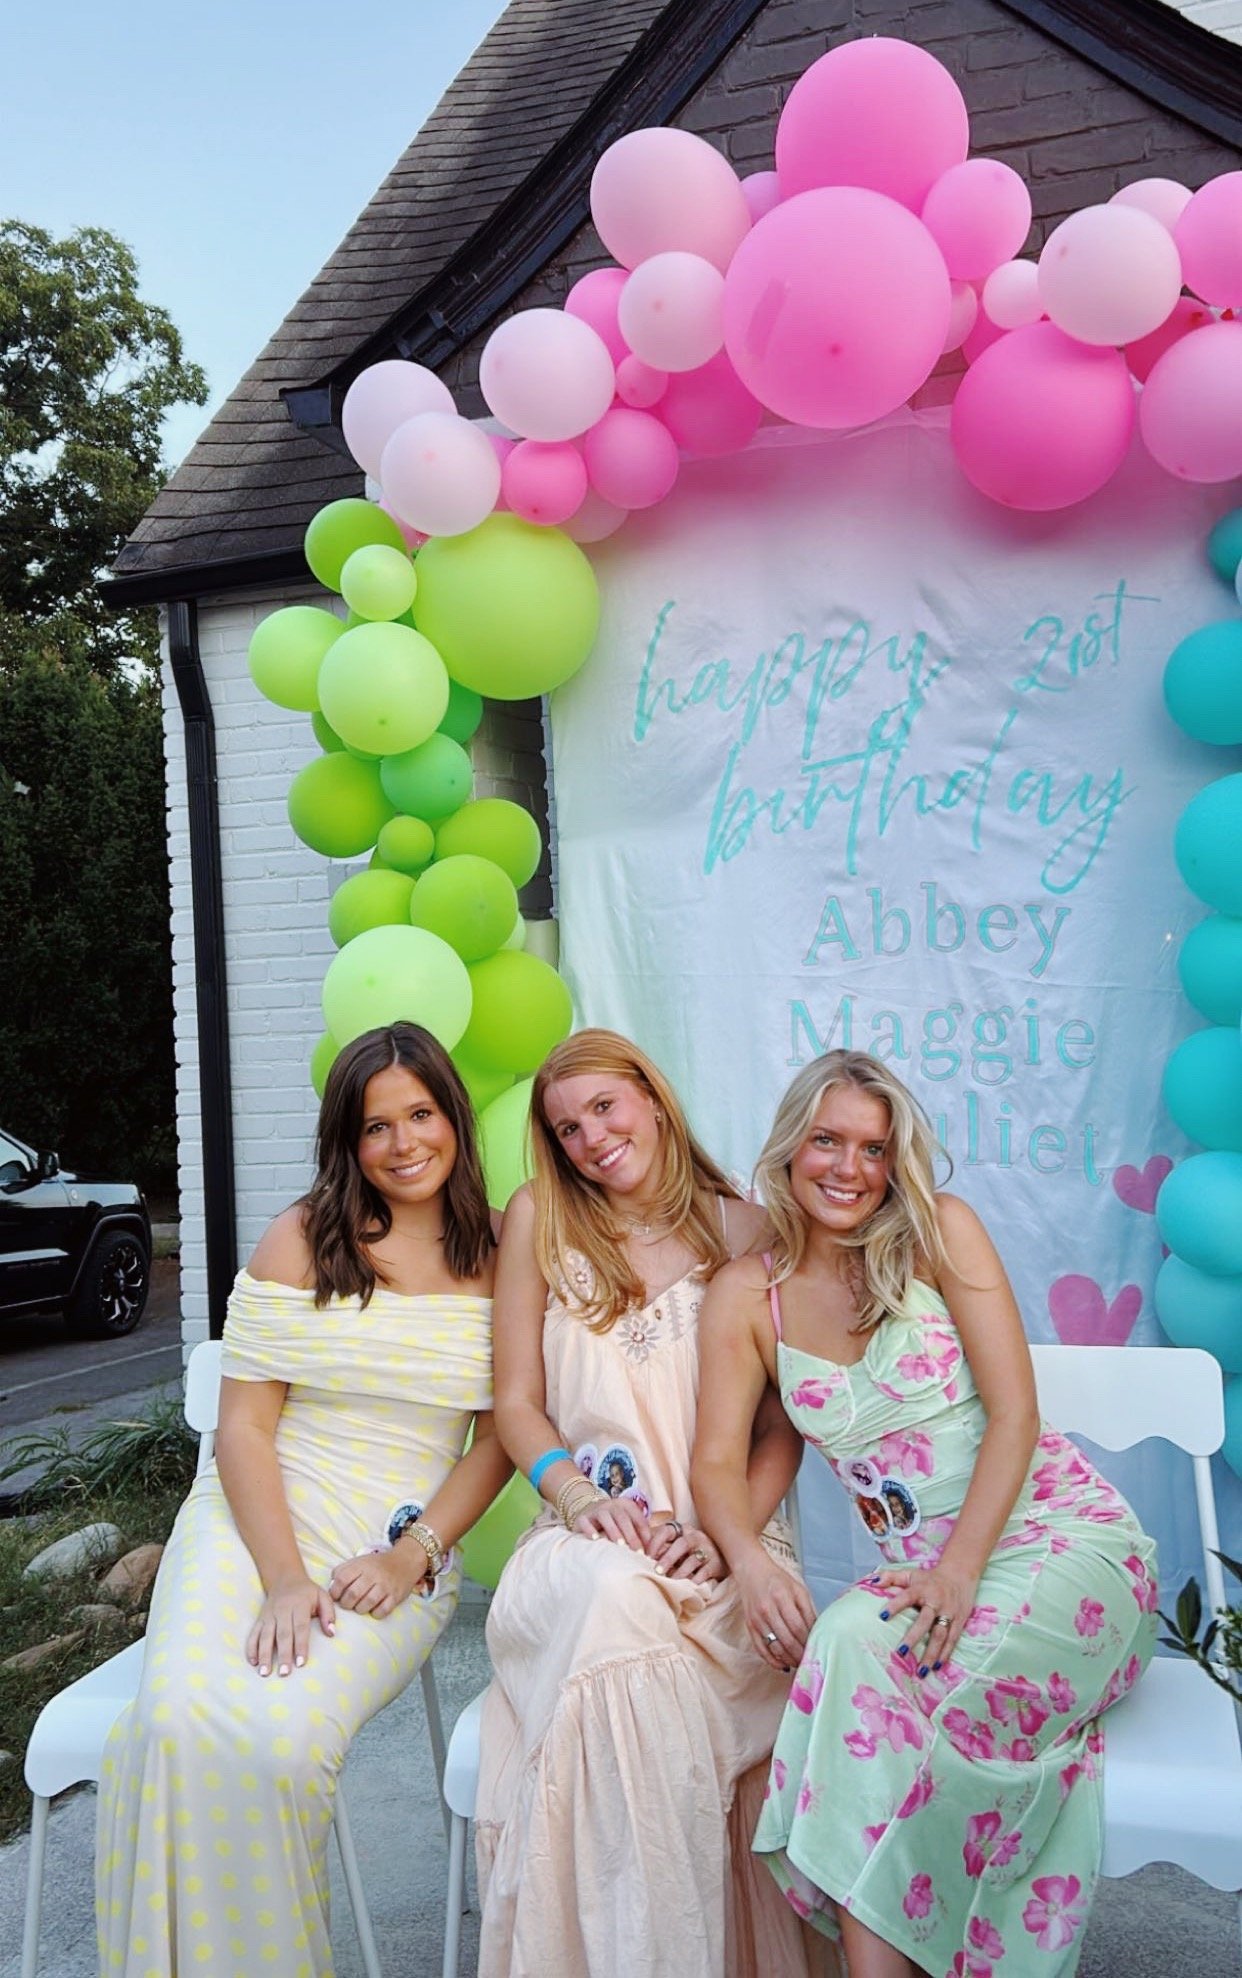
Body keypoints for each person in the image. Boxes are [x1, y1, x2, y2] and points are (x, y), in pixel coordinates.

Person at [692, 1050, 1158, 1978]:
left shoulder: (941, 1231)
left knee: (887, 1697)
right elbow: (716, 1458)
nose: (849, 1168)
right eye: (827, 1141)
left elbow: (1016, 1415)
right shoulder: (750, 1295)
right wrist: (750, 1559)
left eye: (873, 1148)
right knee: (847, 1642)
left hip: (1059, 1548)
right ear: (791, 1149)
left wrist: (960, 1569)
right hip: (922, 1581)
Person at [96, 1023, 509, 1977]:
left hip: (396, 1543)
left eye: (421, 1114)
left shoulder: (497, 1252)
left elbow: (501, 1437)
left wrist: (414, 1557)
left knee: (278, 1743)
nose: (405, 1144)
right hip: (251, 1520)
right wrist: (282, 1578)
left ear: (453, 1116)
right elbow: (241, 1431)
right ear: (347, 1140)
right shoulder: (304, 1235)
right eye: (376, 1126)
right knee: (173, 1722)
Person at [476, 1029, 830, 1978]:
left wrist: (733, 1543)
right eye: (567, 1126)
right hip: (586, 1540)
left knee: (662, 1628)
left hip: (731, 1546)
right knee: (615, 1602)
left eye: (605, 1107)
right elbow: (515, 1400)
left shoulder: (750, 1232)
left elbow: (780, 1429)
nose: (590, 1137)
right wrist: (576, 1493)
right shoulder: (538, 1220)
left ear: (653, 1099)